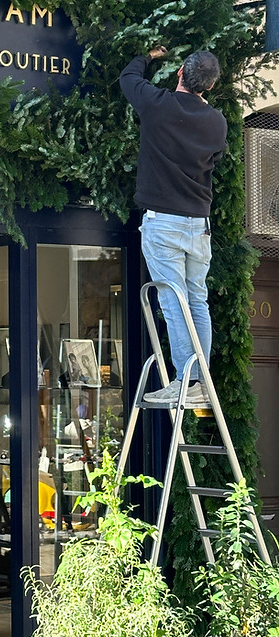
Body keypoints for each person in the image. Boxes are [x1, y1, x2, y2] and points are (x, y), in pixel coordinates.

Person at [119, 46, 228, 405]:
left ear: (181, 71)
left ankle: (188, 381)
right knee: (197, 301)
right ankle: (201, 382)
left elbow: (128, 78)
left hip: (163, 222)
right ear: (209, 86)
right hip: (199, 224)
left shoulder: (159, 105)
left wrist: (147, 55)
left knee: (173, 301)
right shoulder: (217, 122)